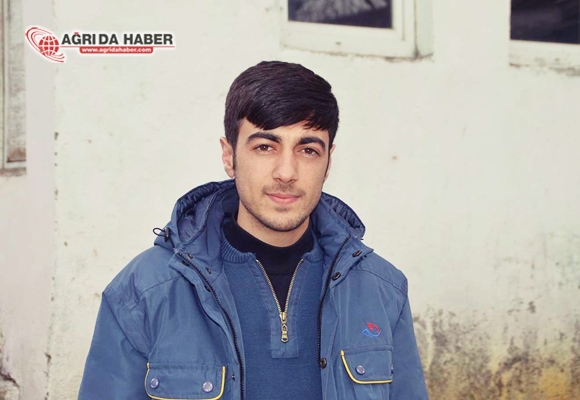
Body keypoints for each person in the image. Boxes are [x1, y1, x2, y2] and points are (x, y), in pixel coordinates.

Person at [79, 61, 428, 399]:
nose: (286, 172)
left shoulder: (382, 290)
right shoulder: (144, 291)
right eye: (265, 147)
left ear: (328, 162)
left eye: (307, 150)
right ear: (229, 156)